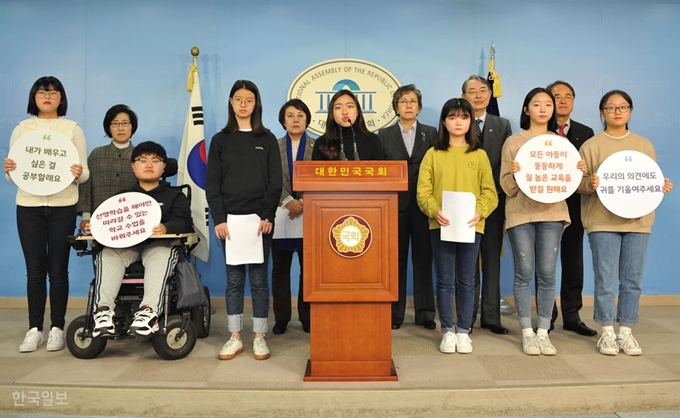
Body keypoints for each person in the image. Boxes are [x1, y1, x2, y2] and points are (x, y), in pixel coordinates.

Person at [578, 90, 673, 356]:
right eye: (611, 108)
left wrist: (660, 186)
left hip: (638, 222)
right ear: (601, 112)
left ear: (630, 111)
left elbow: (648, 180)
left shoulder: (644, 145)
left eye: (623, 107)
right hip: (602, 221)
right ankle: (607, 332)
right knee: (605, 278)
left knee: (632, 279)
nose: (618, 112)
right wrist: (590, 184)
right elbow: (578, 185)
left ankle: (626, 332)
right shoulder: (591, 146)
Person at [4, 76, 89, 352]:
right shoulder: (22, 129)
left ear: (61, 98)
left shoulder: (72, 129)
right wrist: (8, 169)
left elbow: (84, 172)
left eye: (54, 92)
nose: (48, 96)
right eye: (42, 92)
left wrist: (78, 173)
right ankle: (34, 329)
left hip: (63, 205)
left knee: (58, 270)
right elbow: (13, 174)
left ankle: (57, 328)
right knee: (35, 271)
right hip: (28, 206)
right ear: (34, 97)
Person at [500, 87, 586, 356]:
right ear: (526, 109)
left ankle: (543, 332)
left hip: (552, 214)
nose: (543, 108)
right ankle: (526, 331)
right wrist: (514, 174)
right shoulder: (514, 142)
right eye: (536, 104)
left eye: (547, 104)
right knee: (524, 273)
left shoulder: (561, 144)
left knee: (548, 274)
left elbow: (573, 185)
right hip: (521, 214)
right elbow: (506, 186)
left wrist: (580, 172)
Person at [206, 80, 282, 361]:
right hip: (230, 223)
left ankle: (259, 337)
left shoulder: (267, 139)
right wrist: (220, 218)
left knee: (260, 281)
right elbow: (212, 183)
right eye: (238, 99)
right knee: (234, 281)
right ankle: (235, 337)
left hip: (259, 222)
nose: (243, 104)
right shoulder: (220, 140)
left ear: (256, 104)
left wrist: (267, 215)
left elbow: (275, 182)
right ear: (230, 102)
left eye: (248, 100)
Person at [417, 98, 498, 354]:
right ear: (444, 122)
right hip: (440, 225)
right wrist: (434, 211)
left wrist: (479, 212)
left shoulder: (479, 155)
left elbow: (490, 193)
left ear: (470, 122)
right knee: (444, 280)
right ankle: (448, 331)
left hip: (471, 226)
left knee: (466, 279)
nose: (458, 122)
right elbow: (423, 192)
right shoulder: (433, 154)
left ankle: (464, 331)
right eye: (452, 117)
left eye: (463, 117)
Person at [90, 141, 192, 337]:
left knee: (162, 254)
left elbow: (184, 222)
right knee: (108, 254)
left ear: (164, 166)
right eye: (142, 160)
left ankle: (148, 313)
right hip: (127, 246)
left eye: (155, 160)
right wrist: (94, 228)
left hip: (158, 246)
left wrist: (167, 227)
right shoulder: (122, 198)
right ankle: (103, 313)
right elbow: (108, 224)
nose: (149, 164)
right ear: (133, 166)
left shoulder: (174, 195)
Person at [378, 84, 437, 331]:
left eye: (413, 101)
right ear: (395, 107)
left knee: (424, 260)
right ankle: (395, 313)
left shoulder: (432, 133)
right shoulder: (383, 135)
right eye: (403, 102)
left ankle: (425, 313)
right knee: (396, 261)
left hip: (424, 206)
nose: (408, 106)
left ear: (419, 107)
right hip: (395, 206)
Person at [459, 75, 513, 335]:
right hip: (463, 204)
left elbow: (507, 162)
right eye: (472, 91)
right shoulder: (457, 123)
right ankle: (466, 317)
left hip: (492, 203)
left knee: (491, 259)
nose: (478, 95)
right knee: (468, 263)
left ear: (490, 95)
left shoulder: (502, 125)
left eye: (483, 90)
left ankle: (491, 317)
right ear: (464, 97)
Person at [545, 81, 597, 337]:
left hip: (575, 206)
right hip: (544, 206)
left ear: (573, 102)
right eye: (557, 96)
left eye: (568, 96)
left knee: (573, 260)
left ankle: (572, 315)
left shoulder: (586, 132)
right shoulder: (540, 131)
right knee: (545, 263)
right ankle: (547, 315)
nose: (563, 101)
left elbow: (590, 170)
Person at [271, 99, 315, 335]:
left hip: (310, 214)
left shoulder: (318, 148)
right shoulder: (273, 147)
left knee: (308, 270)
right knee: (280, 269)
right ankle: (281, 318)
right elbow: (269, 179)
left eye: (300, 115)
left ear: (307, 119)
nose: (295, 119)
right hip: (280, 214)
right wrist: (288, 201)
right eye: (290, 115)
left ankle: (307, 317)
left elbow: (323, 179)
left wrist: (305, 202)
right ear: (283, 121)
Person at [78, 104, 138, 234]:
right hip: (100, 219)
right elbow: (86, 185)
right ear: (108, 128)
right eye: (115, 123)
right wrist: (86, 217)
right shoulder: (97, 154)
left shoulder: (140, 156)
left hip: (132, 219)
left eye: (125, 123)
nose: (120, 128)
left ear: (132, 126)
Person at [311, 90, 385, 161]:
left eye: (350, 106)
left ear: (357, 112)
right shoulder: (322, 143)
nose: (344, 112)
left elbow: (381, 171)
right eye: (338, 107)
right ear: (332, 114)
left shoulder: (372, 140)